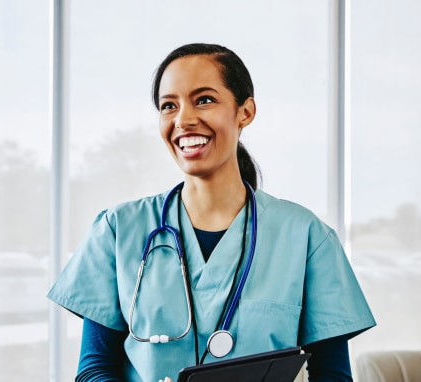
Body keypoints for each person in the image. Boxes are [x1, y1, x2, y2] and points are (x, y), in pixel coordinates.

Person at [48, 43, 376, 382]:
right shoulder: (117, 230)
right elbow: (93, 370)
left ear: (245, 112)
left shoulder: (307, 237)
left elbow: (333, 375)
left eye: (204, 100)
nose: (184, 120)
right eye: (169, 106)